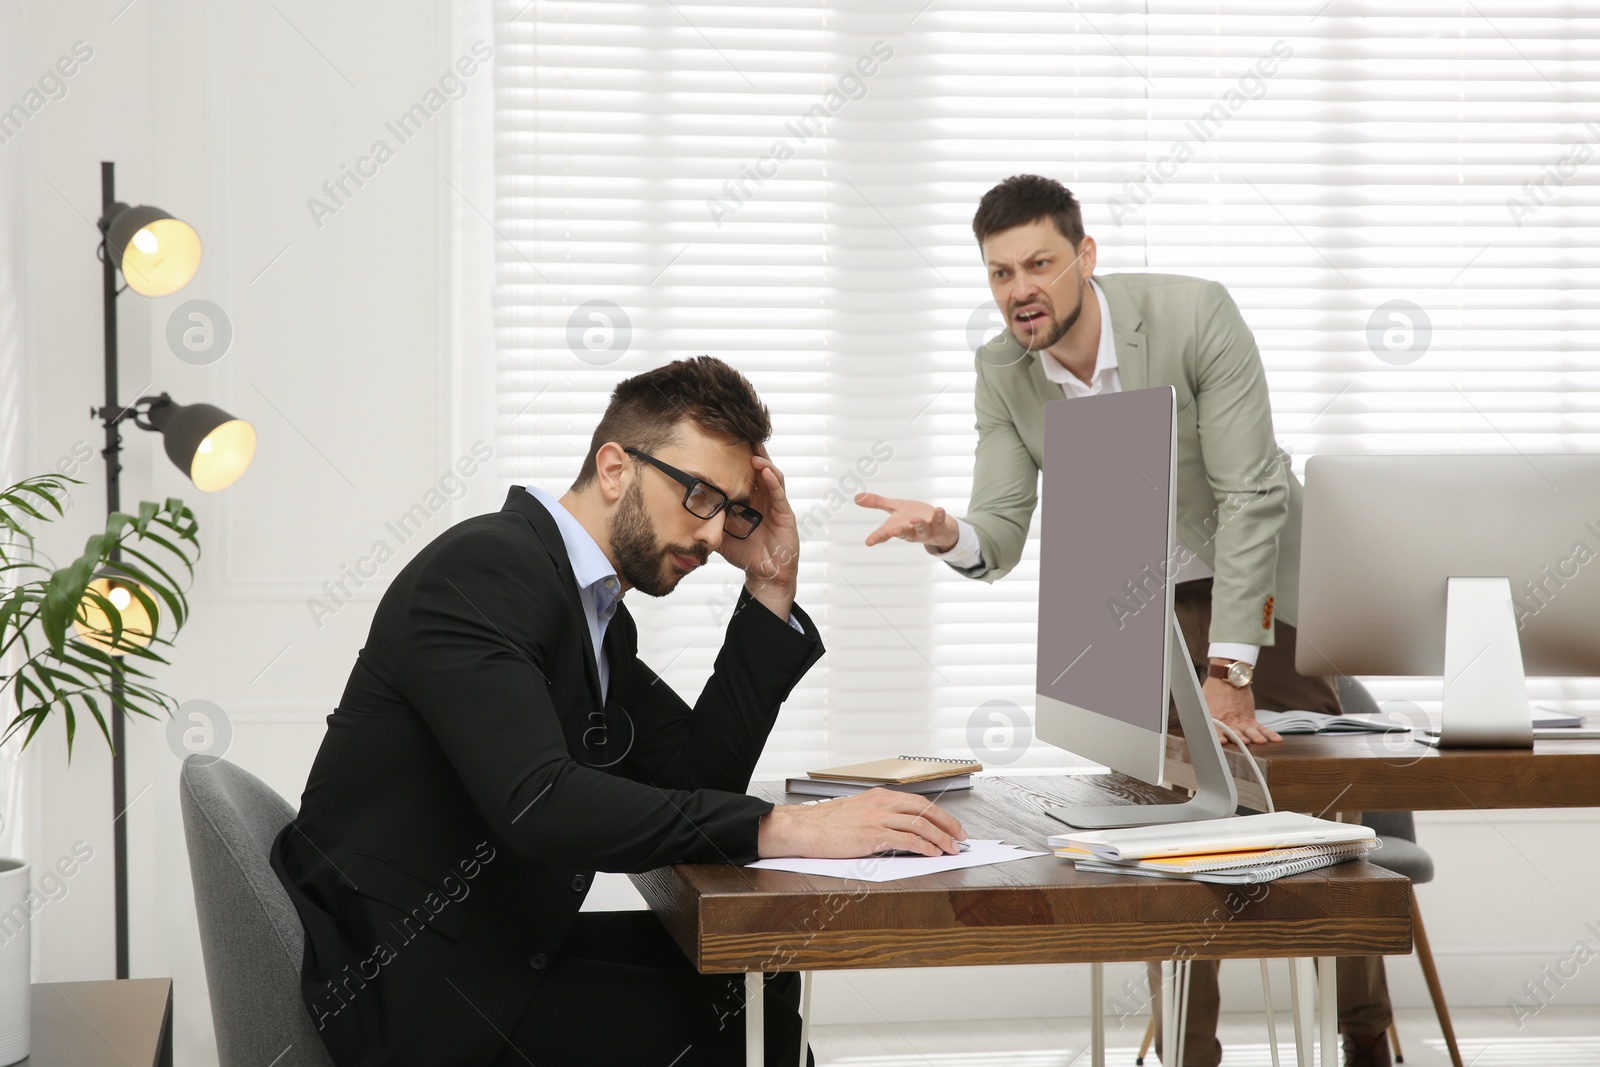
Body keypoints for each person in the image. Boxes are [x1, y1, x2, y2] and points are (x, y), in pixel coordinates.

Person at [271, 356, 966, 1067]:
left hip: (481, 946)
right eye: (699, 494)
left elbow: (700, 773)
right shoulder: (485, 569)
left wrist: (769, 582)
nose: (712, 533)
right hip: (406, 989)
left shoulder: (595, 613)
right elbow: (539, 800)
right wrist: (784, 826)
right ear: (614, 468)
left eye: (732, 509)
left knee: (760, 967)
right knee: (742, 1023)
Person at [855, 176, 1393, 1067]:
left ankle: (1365, 1041)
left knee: (1329, 829)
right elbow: (1000, 530)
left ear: (1084, 256)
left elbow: (1252, 494)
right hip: (1128, 613)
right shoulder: (1004, 372)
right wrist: (948, 532)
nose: (1019, 288)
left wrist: (1231, 672)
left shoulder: (1191, 316)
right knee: (1159, 836)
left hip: (1251, 601)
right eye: (998, 273)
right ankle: (1190, 1052)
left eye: (1038, 263)